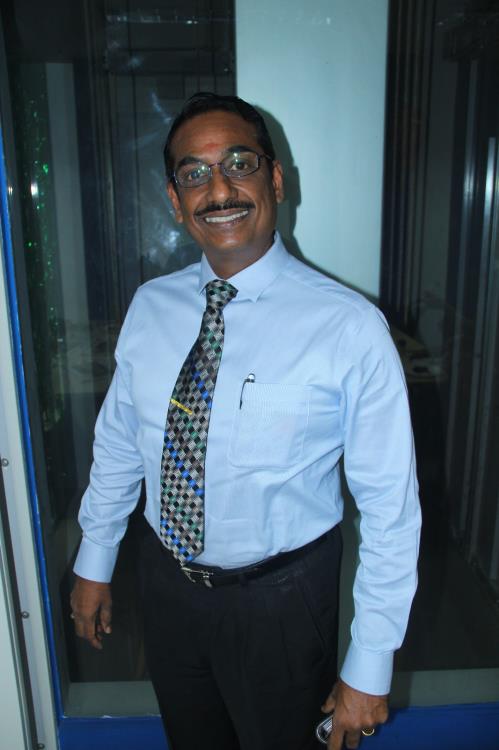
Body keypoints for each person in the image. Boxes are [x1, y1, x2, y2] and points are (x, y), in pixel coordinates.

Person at [71, 92, 421, 750]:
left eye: (239, 163)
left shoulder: (347, 327)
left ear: (276, 180)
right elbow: (119, 443)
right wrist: (95, 559)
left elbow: (389, 509)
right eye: (194, 173)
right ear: (175, 200)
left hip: (282, 604)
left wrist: (370, 662)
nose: (219, 190)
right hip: (167, 587)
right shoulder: (150, 306)